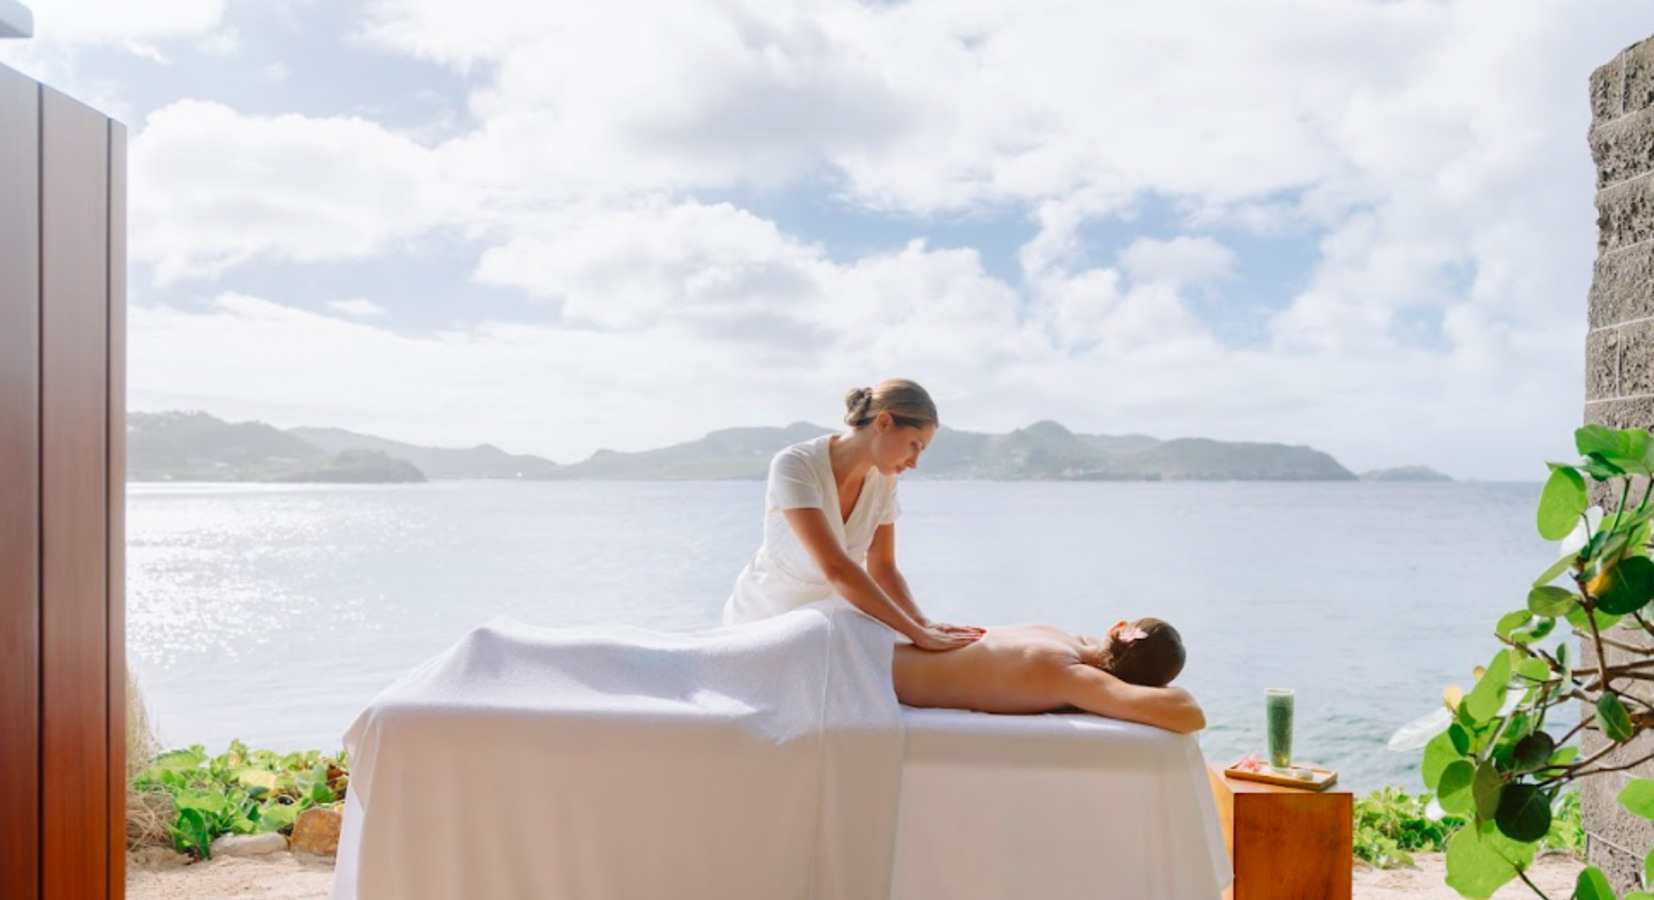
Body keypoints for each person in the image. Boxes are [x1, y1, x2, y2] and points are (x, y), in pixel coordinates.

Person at [722, 379, 985, 651]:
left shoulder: (884, 481)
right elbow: (835, 567)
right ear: (884, 422)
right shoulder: (796, 464)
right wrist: (917, 633)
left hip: (825, 623)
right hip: (765, 617)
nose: (914, 462)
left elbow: (883, 569)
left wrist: (923, 623)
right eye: (914, 445)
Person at [893, 617, 1206, 734]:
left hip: (878, 642)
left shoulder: (1053, 635)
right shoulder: (1068, 674)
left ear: (1116, 627)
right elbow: (1190, 714)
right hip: (870, 673)